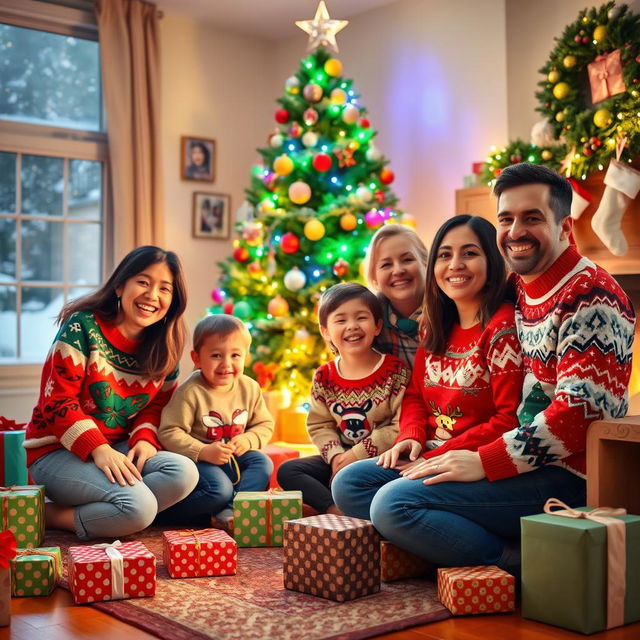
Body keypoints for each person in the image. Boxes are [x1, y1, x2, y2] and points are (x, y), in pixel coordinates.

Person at [335, 165, 635, 573]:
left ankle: (522, 565)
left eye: (532, 218)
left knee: (392, 503)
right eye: (506, 219)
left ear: (565, 226)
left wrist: (482, 460)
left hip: (567, 472)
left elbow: (579, 416)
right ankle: (445, 544)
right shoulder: (520, 287)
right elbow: (457, 303)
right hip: (514, 456)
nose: (515, 231)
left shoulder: (592, 295)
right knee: (353, 484)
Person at [332, 216, 524, 562]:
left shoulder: (501, 327)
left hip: (471, 459)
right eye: (446, 254)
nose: (456, 265)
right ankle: (436, 539)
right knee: (348, 484)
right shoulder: (436, 323)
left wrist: (430, 458)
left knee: (389, 506)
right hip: (429, 450)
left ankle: (508, 560)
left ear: (491, 261)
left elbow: (508, 419)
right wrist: (411, 438)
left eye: (469, 253)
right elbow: (417, 395)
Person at [24, 246, 199, 540]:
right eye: (143, 282)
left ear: (173, 299)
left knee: (184, 472)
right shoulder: (83, 326)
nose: (152, 295)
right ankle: (53, 515)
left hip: (115, 450)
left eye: (164, 288)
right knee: (140, 509)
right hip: (54, 452)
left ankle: (111, 508)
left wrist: (144, 438)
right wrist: (99, 449)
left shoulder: (164, 346)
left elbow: (156, 406)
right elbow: (57, 402)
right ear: (120, 285)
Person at [277, 283, 410, 515]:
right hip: (339, 457)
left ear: (378, 325)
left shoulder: (394, 371)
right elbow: (319, 424)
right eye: (340, 320)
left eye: (361, 318)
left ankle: (356, 505)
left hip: (379, 461)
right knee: (288, 470)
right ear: (325, 331)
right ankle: (335, 509)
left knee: (393, 482)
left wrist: (356, 455)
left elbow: (399, 426)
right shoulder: (325, 375)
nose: (352, 326)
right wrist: (337, 456)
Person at [158, 314, 273, 530]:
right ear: (197, 358)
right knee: (218, 489)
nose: (226, 364)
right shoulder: (191, 391)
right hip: (201, 459)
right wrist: (202, 451)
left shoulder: (249, 387)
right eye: (216, 355)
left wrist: (247, 440)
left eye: (235, 355)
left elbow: (264, 424)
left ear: (246, 357)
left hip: (234, 455)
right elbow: (169, 431)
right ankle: (166, 515)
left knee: (262, 462)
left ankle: (234, 509)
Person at [365, 225, 429, 369]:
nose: (398, 271)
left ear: (425, 263)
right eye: (386, 264)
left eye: (407, 260)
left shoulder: (451, 311)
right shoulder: (371, 324)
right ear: (374, 277)